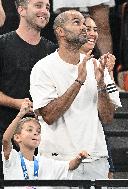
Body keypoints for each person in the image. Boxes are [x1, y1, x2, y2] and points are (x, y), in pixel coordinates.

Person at [30, 10, 121, 181]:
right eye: (76, 23)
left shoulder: (95, 65)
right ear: (60, 31)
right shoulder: (43, 68)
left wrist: (101, 85)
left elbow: (108, 118)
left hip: (95, 157)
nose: (84, 29)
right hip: (57, 160)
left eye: (84, 24)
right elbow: (49, 115)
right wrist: (79, 81)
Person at [0, 0, 56, 180]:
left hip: (42, 139)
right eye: (38, 6)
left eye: (47, 7)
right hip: (5, 133)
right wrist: (16, 103)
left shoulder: (52, 51)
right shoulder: (2, 45)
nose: (45, 11)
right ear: (21, 10)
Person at [2, 100, 88, 188]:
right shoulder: (12, 159)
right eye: (30, 130)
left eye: (38, 131)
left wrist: (78, 159)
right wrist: (20, 114)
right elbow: (5, 140)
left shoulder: (46, 163)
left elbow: (70, 166)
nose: (35, 133)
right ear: (17, 137)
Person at [79, 14, 119, 179]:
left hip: (96, 143)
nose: (93, 34)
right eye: (88, 29)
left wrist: (107, 73)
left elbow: (108, 115)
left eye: (95, 29)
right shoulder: (52, 65)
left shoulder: (98, 66)